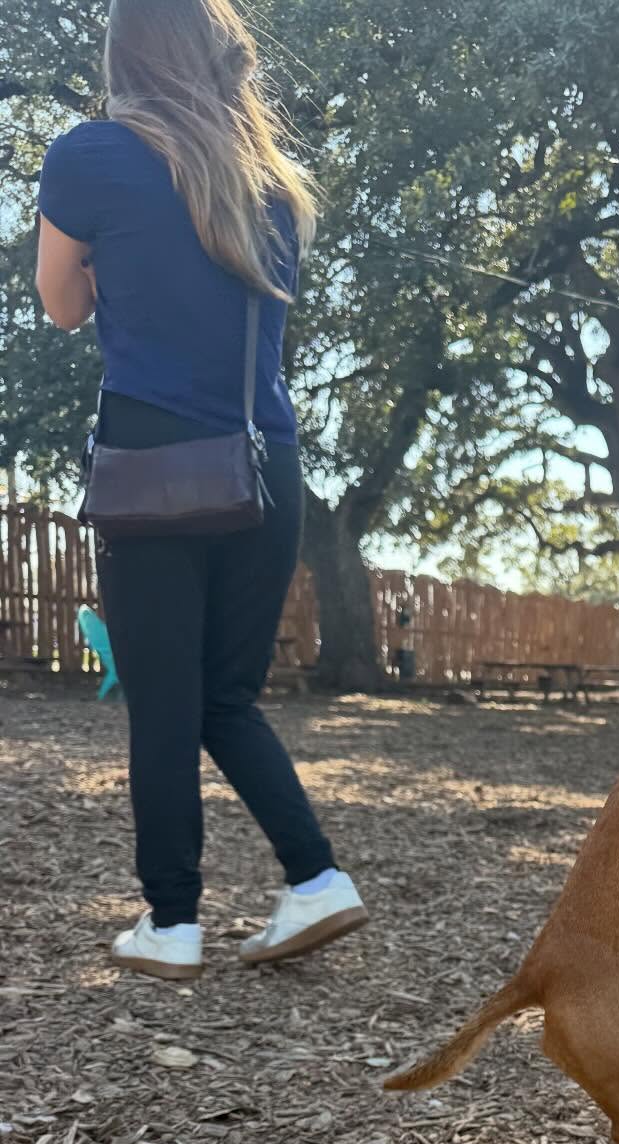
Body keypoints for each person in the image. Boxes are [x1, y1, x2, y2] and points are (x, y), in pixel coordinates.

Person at [35, 0, 366, 982]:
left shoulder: (90, 155)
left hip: (153, 464)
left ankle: (171, 923)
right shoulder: (273, 185)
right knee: (227, 697)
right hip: (266, 463)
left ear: (126, 56)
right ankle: (314, 879)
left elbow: (60, 304)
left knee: (165, 703)